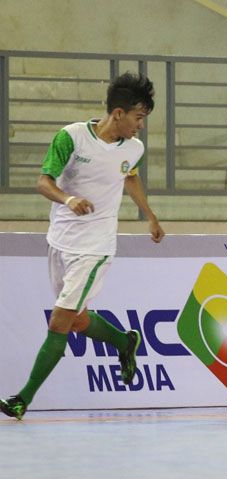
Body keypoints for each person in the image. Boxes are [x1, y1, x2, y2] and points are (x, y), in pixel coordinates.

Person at [0, 72, 165, 420]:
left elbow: (129, 176)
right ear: (118, 113)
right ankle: (125, 342)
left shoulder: (133, 148)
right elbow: (43, 182)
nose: (141, 127)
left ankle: (21, 400)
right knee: (76, 322)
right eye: (138, 118)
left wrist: (149, 215)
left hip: (95, 244)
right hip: (60, 239)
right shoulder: (71, 137)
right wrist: (68, 198)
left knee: (60, 322)